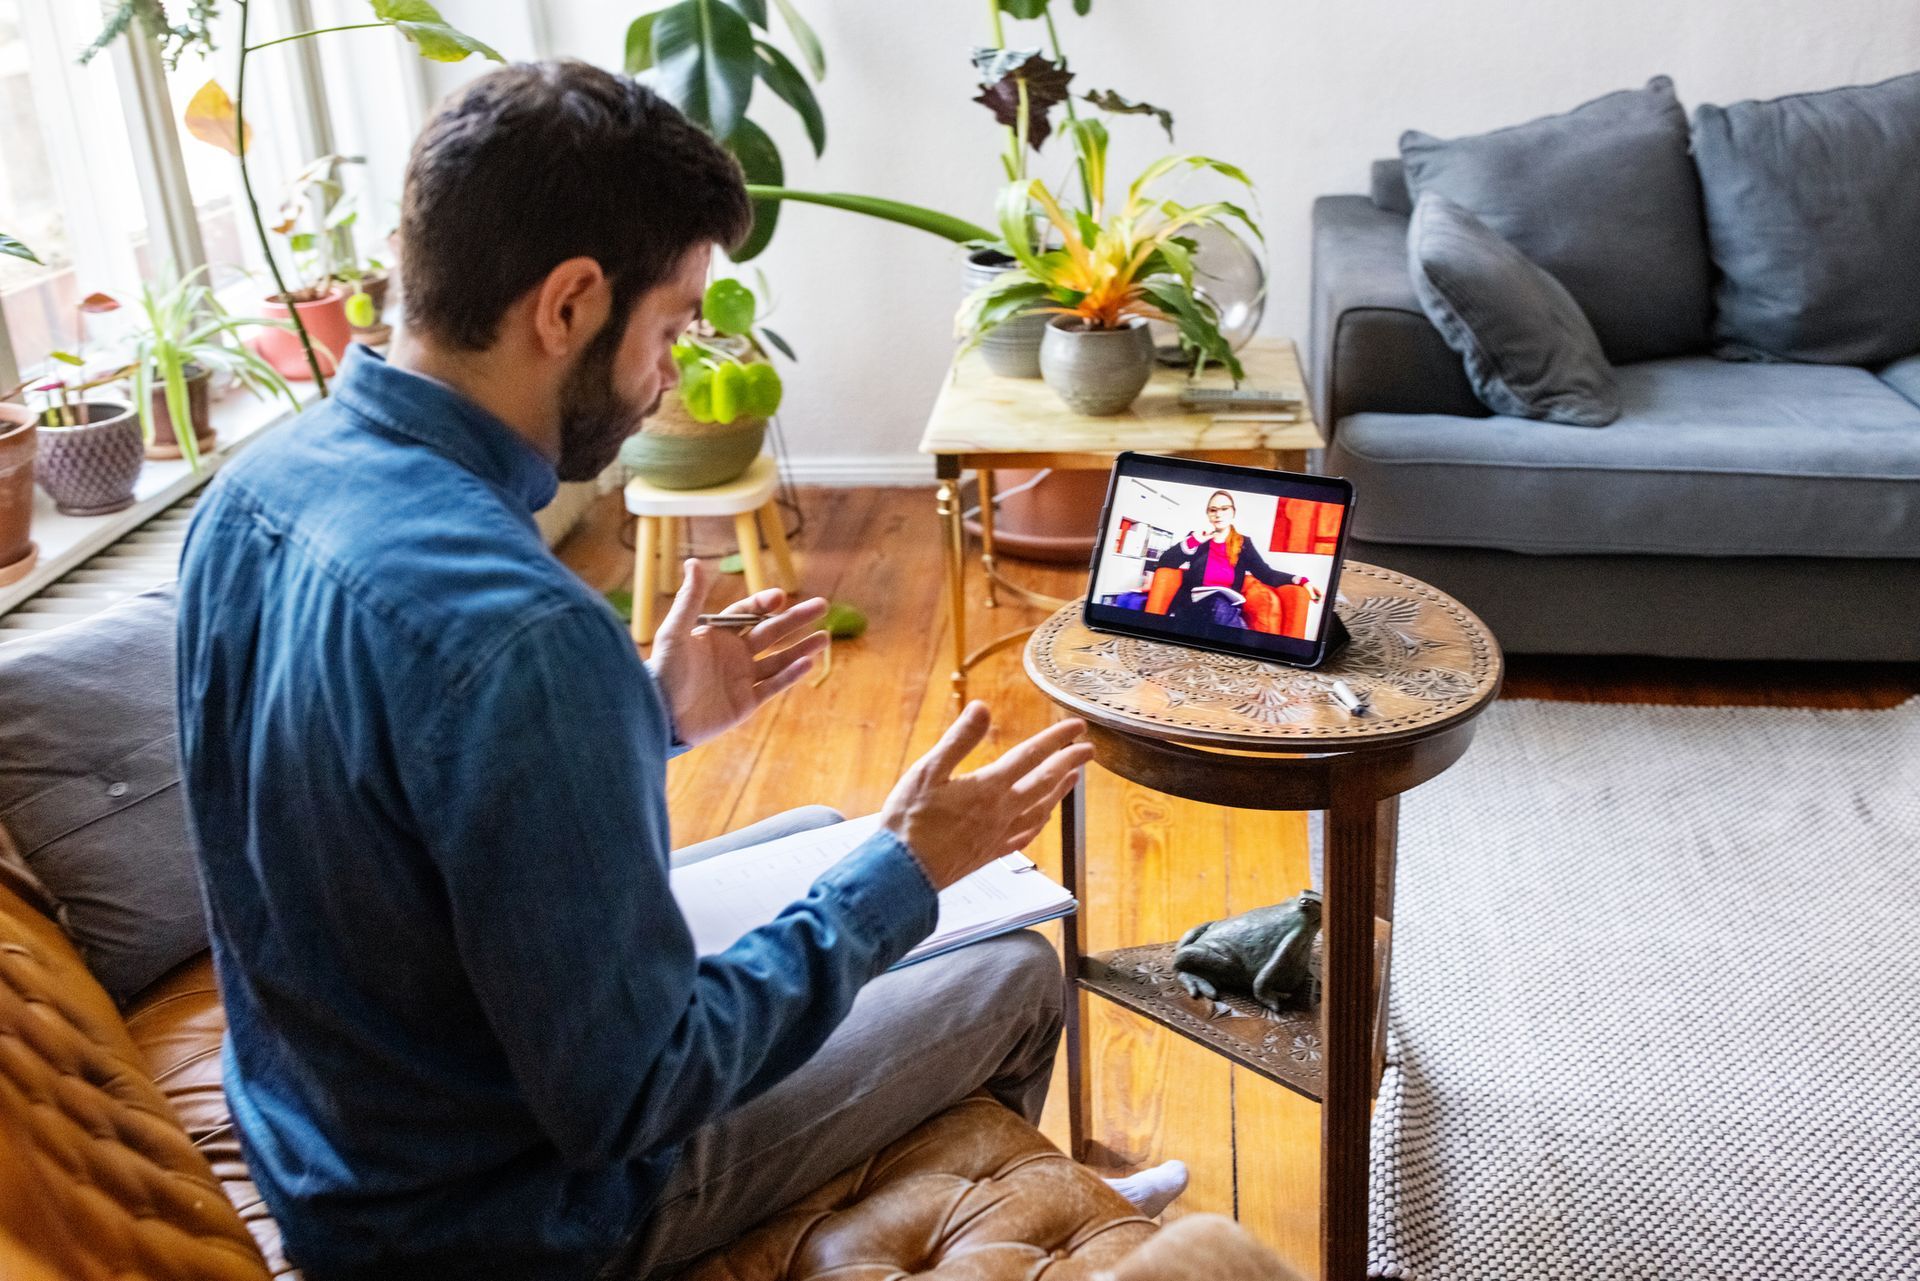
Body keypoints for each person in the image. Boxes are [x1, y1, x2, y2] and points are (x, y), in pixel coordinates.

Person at [173, 62, 1183, 1281]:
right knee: (1006, 967)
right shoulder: (527, 636)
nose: (671, 370)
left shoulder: (252, 497)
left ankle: (962, 1188)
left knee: (816, 826)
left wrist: (641, 717)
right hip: (505, 1222)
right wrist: (907, 870)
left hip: (332, 1148)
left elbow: (382, 795)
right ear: (570, 306)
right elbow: (636, 1092)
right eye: (670, 324)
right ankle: (985, 1227)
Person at [1151, 490, 1321, 628]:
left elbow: (1266, 574)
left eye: (1224, 508)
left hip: (1223, 609)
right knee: (1215, 609)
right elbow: (1165, 562)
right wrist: (1193, 541)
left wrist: (1301, 580)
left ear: (1233, 513)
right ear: (1208, 515)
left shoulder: (1243, 543)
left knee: (1219, 605)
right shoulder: (1197, 539)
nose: (1218, 514)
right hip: (1193, 607)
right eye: (1213, 510)